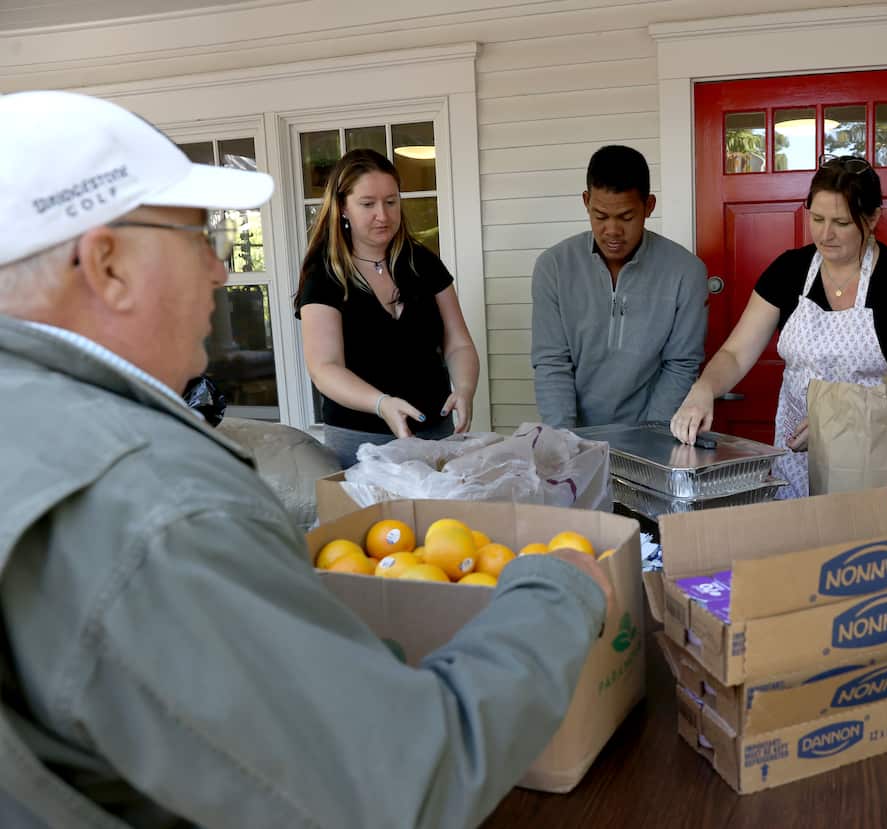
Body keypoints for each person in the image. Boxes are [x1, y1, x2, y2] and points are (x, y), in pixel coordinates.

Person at [0, 90, 613, 828]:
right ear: (107, 264)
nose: (223, 272)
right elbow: (399, 780)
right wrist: (556, 589)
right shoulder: (160, 506)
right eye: (199, 238)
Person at [670, 155, 887, 498]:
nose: (825, 234)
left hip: (879, 452)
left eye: (842, 223)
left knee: (872, 546)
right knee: (800, 542)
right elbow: (736, 353)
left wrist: (839, 420)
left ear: (872, 218)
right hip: (799, 450)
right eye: (817, 218)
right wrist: (703, 389)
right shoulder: (789, 271)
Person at [295, 148, 479, 468]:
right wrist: (382, 404)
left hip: (436, 434)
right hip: (360, 443)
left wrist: (464, 388)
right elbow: (324, 368)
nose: (383, 215)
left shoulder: (423, 263)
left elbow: (458, 343)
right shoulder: (324, 277)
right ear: (342, 208)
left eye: (391, 201)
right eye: (368, 204)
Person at [531, 144, 708, 427]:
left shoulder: (686, 272)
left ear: (648, 206)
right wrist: (566, 441)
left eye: (626, 217)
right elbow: (552, 363)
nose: (612, 230)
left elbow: (680, 365)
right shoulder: (553, 266)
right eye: (600, 216)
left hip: (652, 431)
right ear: (586, 201)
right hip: (574, 432)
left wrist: (650, 440)